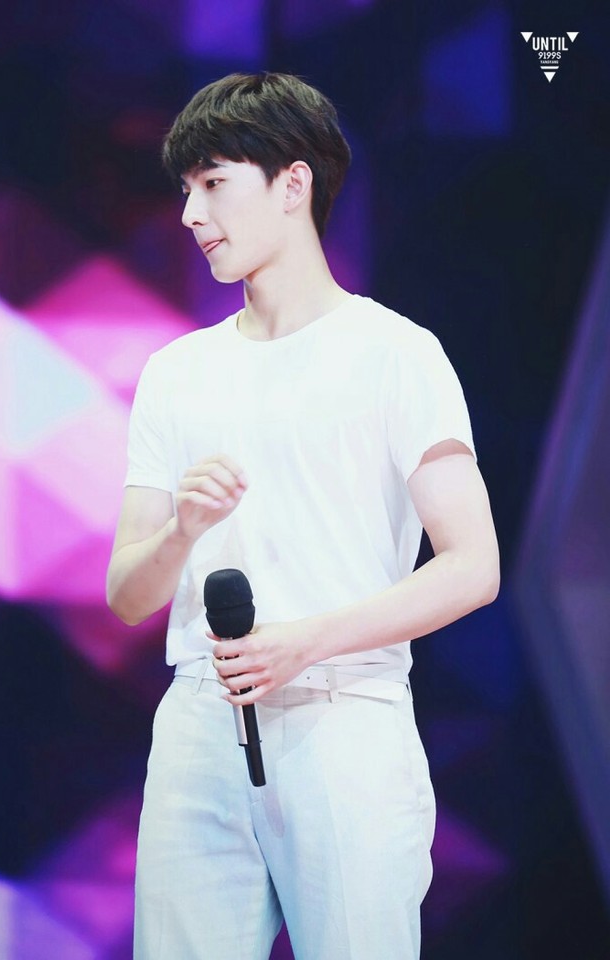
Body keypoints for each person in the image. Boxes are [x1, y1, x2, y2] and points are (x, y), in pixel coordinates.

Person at [106, 72, 499, 960]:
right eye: (185, 190)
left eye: (214, 183)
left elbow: (473, 566)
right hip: (201, 721)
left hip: (343, 716)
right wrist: (181, 531)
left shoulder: (396, 354)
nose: (191, 214)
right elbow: (128, 595)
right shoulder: (176, 372)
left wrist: (306, 642)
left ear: (293, 184)